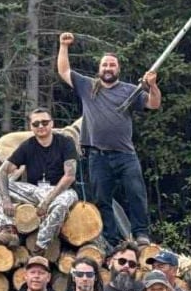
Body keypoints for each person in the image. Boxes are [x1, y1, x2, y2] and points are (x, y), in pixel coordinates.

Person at [56, 31, 160, 248]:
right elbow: (63, 70)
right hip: (97, 155)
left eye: (112, 65)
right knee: (102, 200)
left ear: (118, 69)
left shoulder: (130, 91)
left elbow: (153, 104)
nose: (108, 68)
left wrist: (153, 86)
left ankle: (141, 234)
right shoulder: (88, 86)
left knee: (136, 194)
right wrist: (63, 46)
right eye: (105, 65)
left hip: (125, 155)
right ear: (99, 68)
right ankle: (113, 241)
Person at [0, 107, 79, 249]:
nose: (41, 126)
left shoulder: (66, 142)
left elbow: (69, 176)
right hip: (35, 190)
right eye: (36, 124)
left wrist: (47, 201)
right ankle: (8, 230)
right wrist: (6, 198)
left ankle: (40, 246)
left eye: (44, 122)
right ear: (31, 127)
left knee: (60, 204)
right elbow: (1, 172)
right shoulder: (27, 145)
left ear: (52, 123)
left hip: (62, 191)